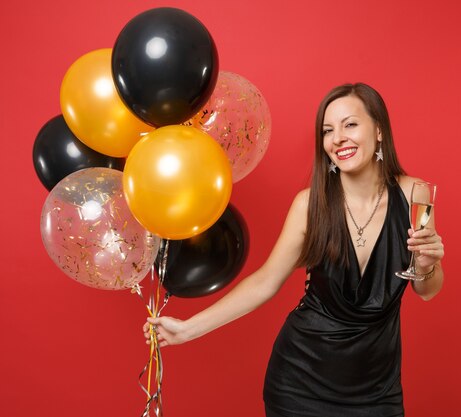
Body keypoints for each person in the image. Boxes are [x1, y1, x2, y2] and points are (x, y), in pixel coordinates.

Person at [143, 83, 445, 417]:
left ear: (378, 130)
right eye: (328, 130)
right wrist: (187, 329)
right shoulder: (309, 205)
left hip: (377, 391)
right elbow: (265, 282)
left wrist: (429, 263)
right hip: (301, 382)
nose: (337, 138)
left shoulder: (415, 195)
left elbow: (426, 290)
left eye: (350, 125)